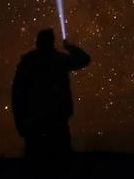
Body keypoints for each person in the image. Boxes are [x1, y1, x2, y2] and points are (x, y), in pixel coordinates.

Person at [11, 28, 90, 159]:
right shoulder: (58, 60)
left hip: (36, 119)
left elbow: (17, 94)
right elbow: (84, 59)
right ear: (52, 42)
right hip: (54, 118)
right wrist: (69, 47)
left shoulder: (28, 62)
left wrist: (20, 121)